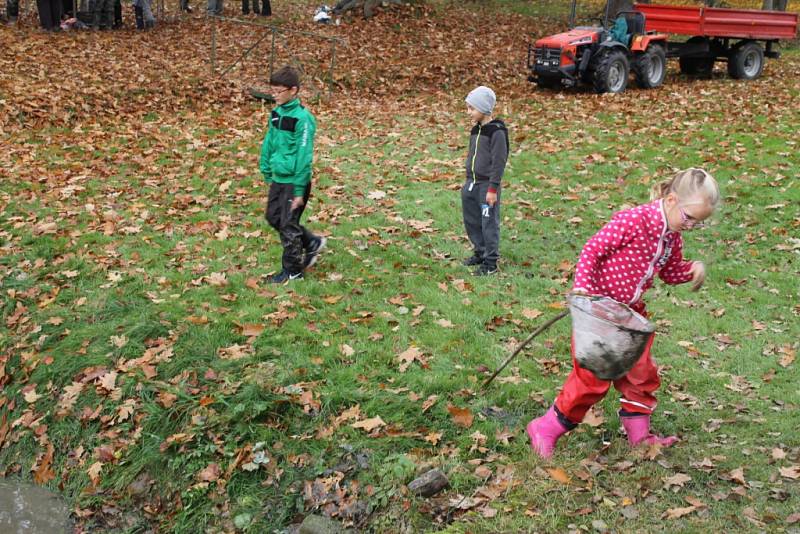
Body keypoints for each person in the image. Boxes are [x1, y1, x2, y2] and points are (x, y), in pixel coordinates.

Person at [526, 168, 721, 458]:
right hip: (601, 314)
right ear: (670, 200)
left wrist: (690, 270)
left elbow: (669, 272)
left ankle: (640, 437)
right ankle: (547, 426)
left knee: (641, 374)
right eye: (689, 217)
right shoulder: (634, 221)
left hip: (631, 317)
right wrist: (582, 287)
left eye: (698, 222)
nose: (691, 226)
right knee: (592, 378)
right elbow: (592, 250)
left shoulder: (672, 237)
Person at [260, 66, 325, 283]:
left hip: (295, 181)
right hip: (278, 178)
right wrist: (266, 168)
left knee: (288, 226)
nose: (274, 95)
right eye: (273, 91)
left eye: (279, 91)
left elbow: (304, 155)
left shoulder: (303, 119)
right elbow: (270, 141)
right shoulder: (277, 113)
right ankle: (312, 242)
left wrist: (299, 191)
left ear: (293, 90)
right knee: (273, 217)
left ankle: (293, 272)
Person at [461, 86, 509, 276]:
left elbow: (499, 163)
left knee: (488, 222)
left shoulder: (496, 132)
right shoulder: (476, 130)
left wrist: (493, 188)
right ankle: (480, 252)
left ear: (484, 108)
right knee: (472, 221)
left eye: (472, 108)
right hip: (471, 184)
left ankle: (490, 262)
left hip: (487, 187)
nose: (469, 112)